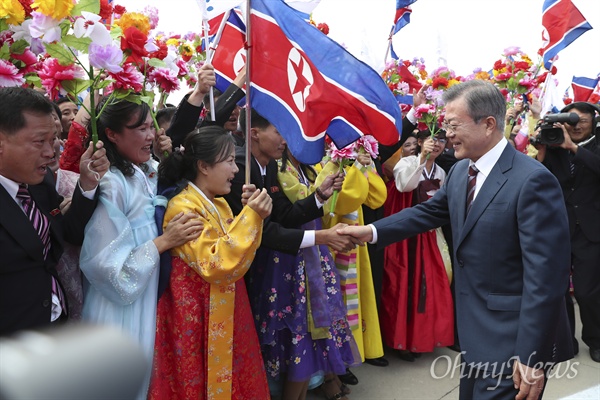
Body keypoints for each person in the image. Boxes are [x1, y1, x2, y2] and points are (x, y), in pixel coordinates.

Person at [338, 80, 573, 400]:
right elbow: (428, 213)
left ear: (488, 124)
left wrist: (531, 355)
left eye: (452, 124)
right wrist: (371, 232)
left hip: (512, 340)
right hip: (474, 334)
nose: (445, 133)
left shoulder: (532, 181)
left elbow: (546, 277)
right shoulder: (463, 172)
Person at [78, 97, 203, 400]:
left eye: (152, 127)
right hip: (120, 306)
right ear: (112, 135)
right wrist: (164, 241)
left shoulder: (144, 169)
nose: (151, 135)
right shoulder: (111, 182)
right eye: (141, 129)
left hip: (145, 293)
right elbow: (105, 267)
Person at [149, 127, 272, 399]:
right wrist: (251, 217)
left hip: (224, 308)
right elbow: (216, 264)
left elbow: (239, 253)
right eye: (229, 161)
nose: (236, 169)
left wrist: (251, 216)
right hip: (197, 316)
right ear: (204, 166)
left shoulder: (221, 205)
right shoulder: (183, 208)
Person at [250, 147, 359, 400]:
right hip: (289, 262)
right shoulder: (277, 168)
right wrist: (321, 194)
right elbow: (287, 216)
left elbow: (322, 206)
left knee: (312, 335)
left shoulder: (308, 168)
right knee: (297, 335)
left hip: (313, 254)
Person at [0, 87, 108, 335]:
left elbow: (69, 234)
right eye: (39, 142)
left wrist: (87, 185)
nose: (51, 152)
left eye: (54, 140)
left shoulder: (41, 180)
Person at [535, 101, 600, 362]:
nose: (575, 127)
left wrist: (573, 148)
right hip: (558, 229)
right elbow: (539, 181)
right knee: (558, 290)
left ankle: (595, 340)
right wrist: (541, 153)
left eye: (581, 122)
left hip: (591, 230)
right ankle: (565, 342)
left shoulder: (595, 146)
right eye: (571, 122)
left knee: (587, 291)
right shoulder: (554, 144)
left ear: (593, 122)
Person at [381, 130, 454, 362]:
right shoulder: (408, 162)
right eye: (434, 139)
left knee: (430, 284)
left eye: (443, 140)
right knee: (404, 283)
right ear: (421, 142)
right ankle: (401, 339)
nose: (438, 144)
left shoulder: (441, 171)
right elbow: (405, 185)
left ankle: (422, 336)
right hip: (406, 234)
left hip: (428, 233)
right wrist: (421, 158)